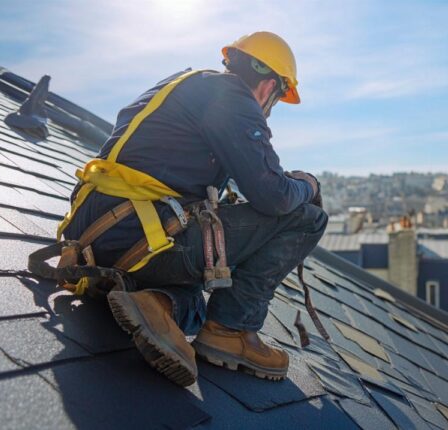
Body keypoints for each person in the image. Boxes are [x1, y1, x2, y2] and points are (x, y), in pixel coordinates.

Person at [61, 31, 327, 386]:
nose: (270, 108)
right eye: (277, 97)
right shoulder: (232, 97)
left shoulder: (185, 87)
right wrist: (308, 184)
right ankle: (232, 330)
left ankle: (157, 303)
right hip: (142, 237)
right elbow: (274, 196)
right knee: (307, 217)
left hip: (94, 238)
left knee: (197, 297)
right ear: (269, 85)